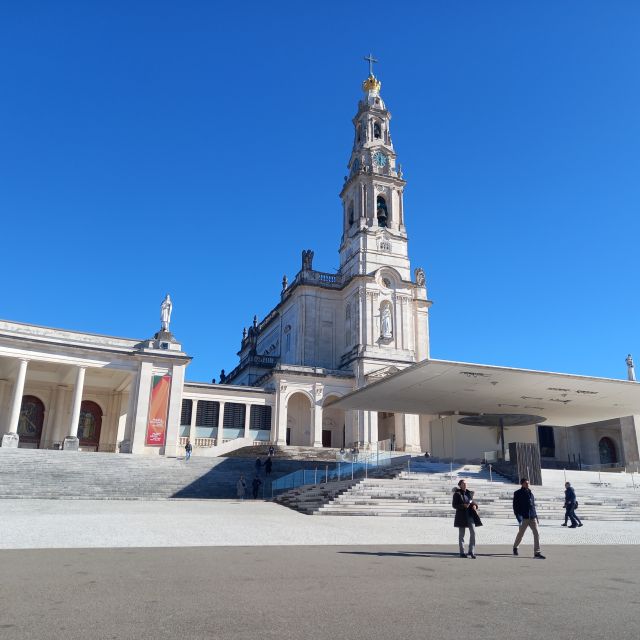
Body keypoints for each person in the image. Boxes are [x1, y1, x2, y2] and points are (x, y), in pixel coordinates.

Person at [513, 478, 546, 559]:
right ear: (522, 484)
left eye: (528, 483)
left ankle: (537, 552)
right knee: (521, 534)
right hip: (523, 517)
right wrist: (519, 517)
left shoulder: (531, 493)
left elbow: (533, 506)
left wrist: (536, 516)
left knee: (536, 533)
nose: (528, 484)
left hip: (532, 517)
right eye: (526, 483)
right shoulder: (517, 493)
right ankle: (515, 547)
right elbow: (515, 507)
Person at [452, 479, 482, 558]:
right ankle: (462, 552)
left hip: (470, 515)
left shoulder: (469, 493)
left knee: (473, 532)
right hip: (461, 516)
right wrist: (463, 506)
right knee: (462, 535)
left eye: (466, 483)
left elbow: (472, 501)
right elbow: (454, 505)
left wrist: (475, 505)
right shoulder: (457, 494)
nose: (465, 485)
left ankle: (471, 551)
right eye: (463, 483)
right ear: (460, 485)